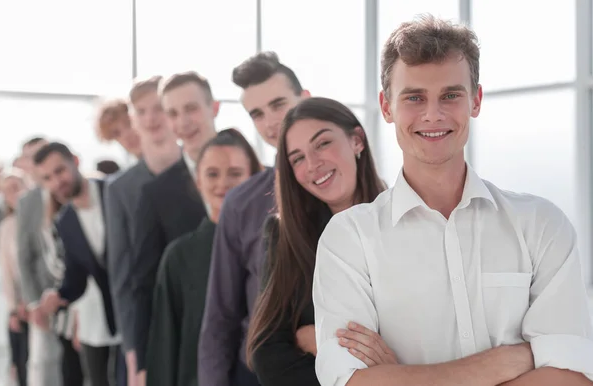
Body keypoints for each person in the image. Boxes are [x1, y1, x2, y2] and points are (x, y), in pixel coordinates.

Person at [312, 15, 593, 386]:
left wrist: (402, 376)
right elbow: (349, 381)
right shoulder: (349, 239)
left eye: (450, 95)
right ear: (386, 107)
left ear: (475, 100)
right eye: (414, 97)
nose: (433, 114)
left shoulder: (542, 225)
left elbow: (572, 377)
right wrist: (511, 360)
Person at [246, 97, 386, 386]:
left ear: (357, 140)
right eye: (297, 158)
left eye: (322, 144)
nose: (312, 164)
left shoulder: (408, 220)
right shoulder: (285, 235)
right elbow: (267, 354)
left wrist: (320, 339)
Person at [198, 51, 309, 386]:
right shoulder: (241, 203)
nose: (271, 122)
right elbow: (221, 315)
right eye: (257, 114)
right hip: (259, 375)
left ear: (305, 100)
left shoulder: (351, 191)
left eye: (279, 104)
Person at [146, 128, 263, 386]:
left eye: (235, 173)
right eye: (212, 174)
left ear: (254, 179)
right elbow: (165, 344)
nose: (223, 184)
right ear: (197, 180)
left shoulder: (270, 246)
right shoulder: (179, 256)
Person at [130, 71, 217, 381]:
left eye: (191, 109)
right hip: (188, 344)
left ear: (214, 108)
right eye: (173, 113)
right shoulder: (156, 194)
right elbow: (142, 283)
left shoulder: (256, 178)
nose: (183, 122)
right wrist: (142, 363)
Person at [105, 75, 181, 385]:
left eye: (159, 108)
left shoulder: (203, 170)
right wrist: (132, 347)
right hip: (151, 318)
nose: (151, 118)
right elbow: (122, 275)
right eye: (141, 110)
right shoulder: (121, 188)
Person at [35, 142, 124, 386]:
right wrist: (59, 294)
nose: (56, 182)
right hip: (108, 319)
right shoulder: (65, 222)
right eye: (47, 178)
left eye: (59, 171)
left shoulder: (115, 191)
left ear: (75, 161)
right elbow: (76, 277)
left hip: (140, 310)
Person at [16, 136, 85, 386]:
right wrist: (33, 301)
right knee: (53, 366)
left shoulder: (74, 195)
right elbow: (25, 255)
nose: (53, 180)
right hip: (49, 297)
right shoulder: (28, 202)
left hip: (77, 294)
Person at [0, 169, 28, 386]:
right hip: (20, 306)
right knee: (23, 363)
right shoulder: (6, 227)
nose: (13, 193)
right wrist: (13, 308)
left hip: (42, 303)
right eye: (8, 190)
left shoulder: (42, 217)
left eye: (17, 187)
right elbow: (7, 273)